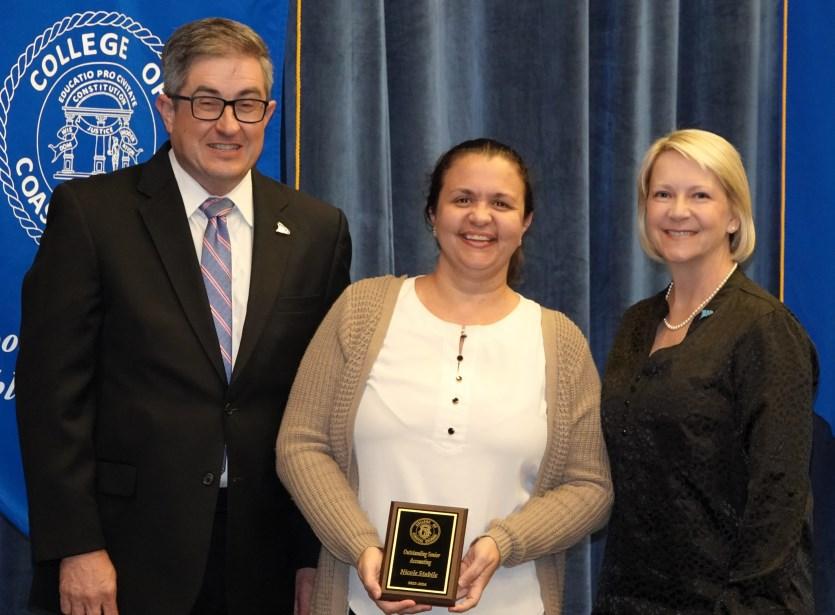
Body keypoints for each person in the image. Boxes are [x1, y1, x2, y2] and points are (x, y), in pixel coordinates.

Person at [16, 17, 351, 615]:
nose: (229, 124)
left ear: (269, 114)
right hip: (122, 555)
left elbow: (323, 408)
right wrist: (77, 546)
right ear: (168, 110)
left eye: (247, 104)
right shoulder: (91, 216)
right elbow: (50, 399)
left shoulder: (317, 231)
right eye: (207, 102)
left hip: (266, 559)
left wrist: (311, 555)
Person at [277, 138, 613, 615]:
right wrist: (360, 546)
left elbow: (590, 487)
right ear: (433, 214)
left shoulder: (561, 342)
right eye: (462, 199)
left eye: (501, 203)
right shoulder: (360, 311)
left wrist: (503, 543)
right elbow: (300, 443)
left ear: (525, 223)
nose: (481, 217)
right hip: (362, 603)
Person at [593, 129, 817, 614]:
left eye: (700, 195)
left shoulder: (765, 329)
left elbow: (779, 497)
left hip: (735, 601)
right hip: (630, 596)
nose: (678, 211)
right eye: (662, 194)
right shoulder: (636, 324)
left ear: (734, 215)